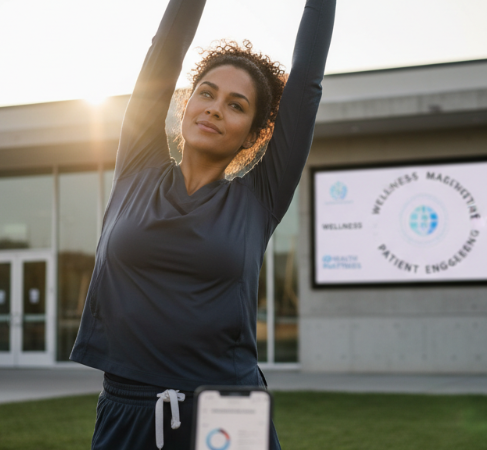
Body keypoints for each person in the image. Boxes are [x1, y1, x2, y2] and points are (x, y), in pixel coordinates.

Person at [69, 0, 335, 448]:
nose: (214, 108)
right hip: (127, 408)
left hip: (228, 416)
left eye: (236, 105)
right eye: (206, 93)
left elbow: (306, 81)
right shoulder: (137, 168)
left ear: (254, 133)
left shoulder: (259, 198)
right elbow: (165, 50)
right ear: (187, 102)